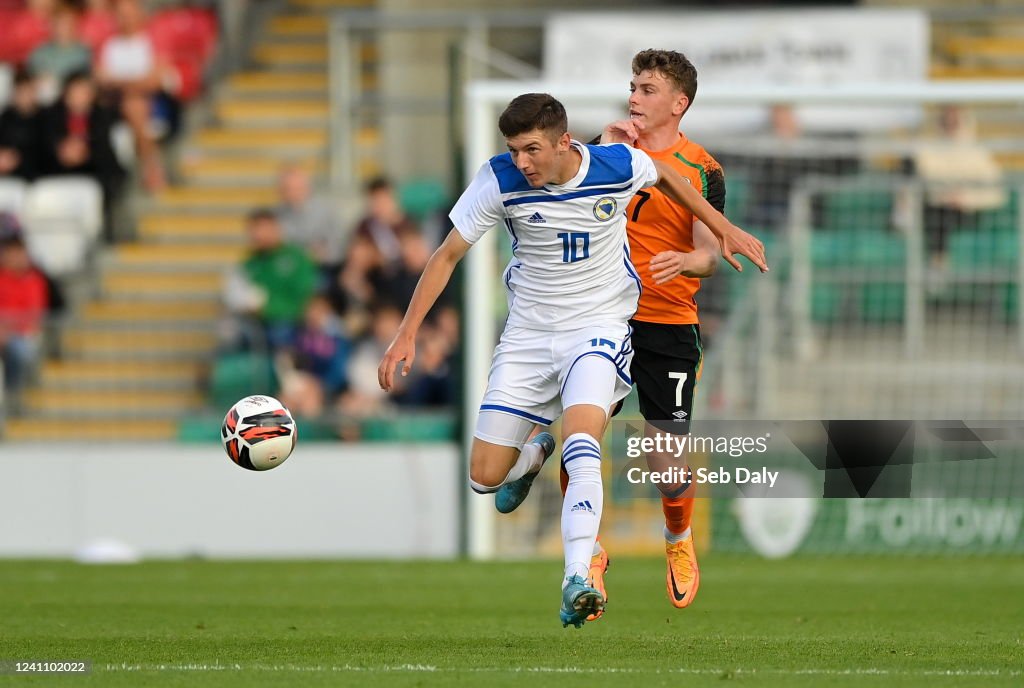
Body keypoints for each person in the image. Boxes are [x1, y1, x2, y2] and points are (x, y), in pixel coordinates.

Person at [378, 93, 765, 628]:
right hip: (527, 339)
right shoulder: (498, 180)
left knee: (583, 439)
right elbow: (446, 256)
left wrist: (723, 228)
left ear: (564, 142)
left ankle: (578, 576)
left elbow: (667, 176)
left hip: (597, 329)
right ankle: (534, 454)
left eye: (531, 149)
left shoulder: (614, 166)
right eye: (514, 150)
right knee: (484, 479)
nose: (522, 162)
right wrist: (406, 334)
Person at [496, 50, 745, 619]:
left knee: (667, 462)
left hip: (667, 321)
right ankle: (588, 556)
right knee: (584, 434)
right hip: (601, 315)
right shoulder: (603, 152)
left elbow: (711, 255)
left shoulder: (703, 167)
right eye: (633, 86)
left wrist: (685, 260)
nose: (634, 97)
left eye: (648, 89)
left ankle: (677, 538)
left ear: (679, 103)